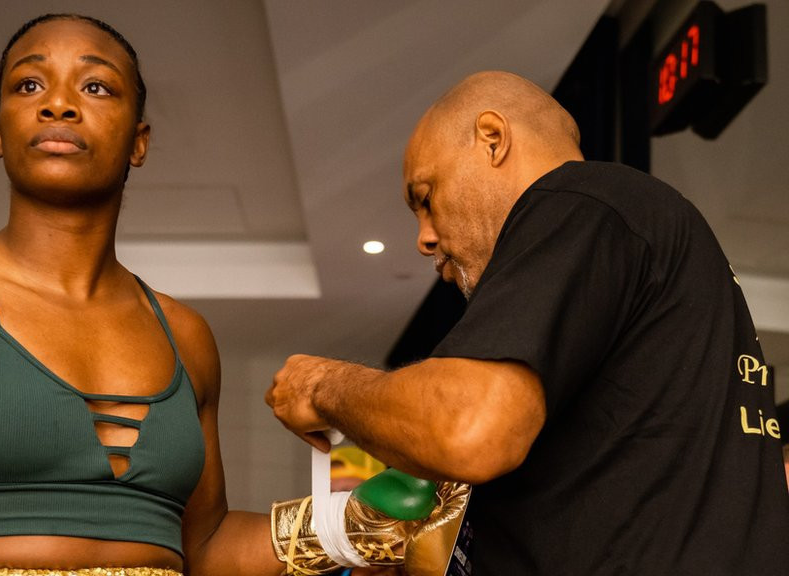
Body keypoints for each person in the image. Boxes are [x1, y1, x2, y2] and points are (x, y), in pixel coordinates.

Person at [0, 13, 457, 576]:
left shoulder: (186, 336)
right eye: (29, 83)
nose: (58, 102)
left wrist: (348, 524)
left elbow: (202, 543)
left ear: (138, 142)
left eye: (96, 86)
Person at [267, 70, 789, 574]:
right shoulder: (643, 245)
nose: (424, 237)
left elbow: (469, 430)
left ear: (492, 139)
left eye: (426, 198)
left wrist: (322, 385)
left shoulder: (579, 200)